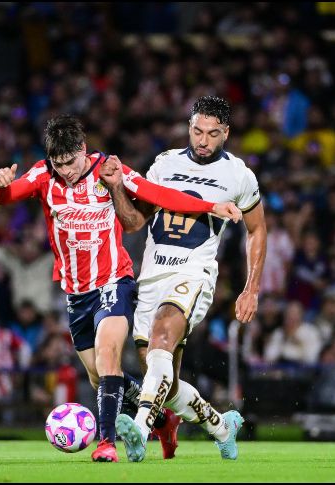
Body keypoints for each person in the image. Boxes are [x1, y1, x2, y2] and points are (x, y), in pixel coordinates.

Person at [0, 114, 241, 462]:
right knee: (100, 379)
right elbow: (6, 197)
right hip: (76, 293)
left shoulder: (108, 170)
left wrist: (210, 205)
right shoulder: (43, 174)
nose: (65, 170)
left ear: (83, 149)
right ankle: (162, 418)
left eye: (70, 162)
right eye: (57, 164)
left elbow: (158, 194)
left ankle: (106, 443)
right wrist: (1, 185)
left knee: (109, 359)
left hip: (113, 281)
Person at [102, 95, 267, 461]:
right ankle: (223, 427)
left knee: (163, 335)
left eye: (212, 134)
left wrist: (251, 288)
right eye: (196, 131)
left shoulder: (239, 175)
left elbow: (257, 230)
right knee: (164, 380)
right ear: (188, 127)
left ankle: (139, 431)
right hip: (152, 274)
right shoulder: (164, 164)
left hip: (195, 273)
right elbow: (134, 222)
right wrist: (116, 188)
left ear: (226, 133)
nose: (203, 140)